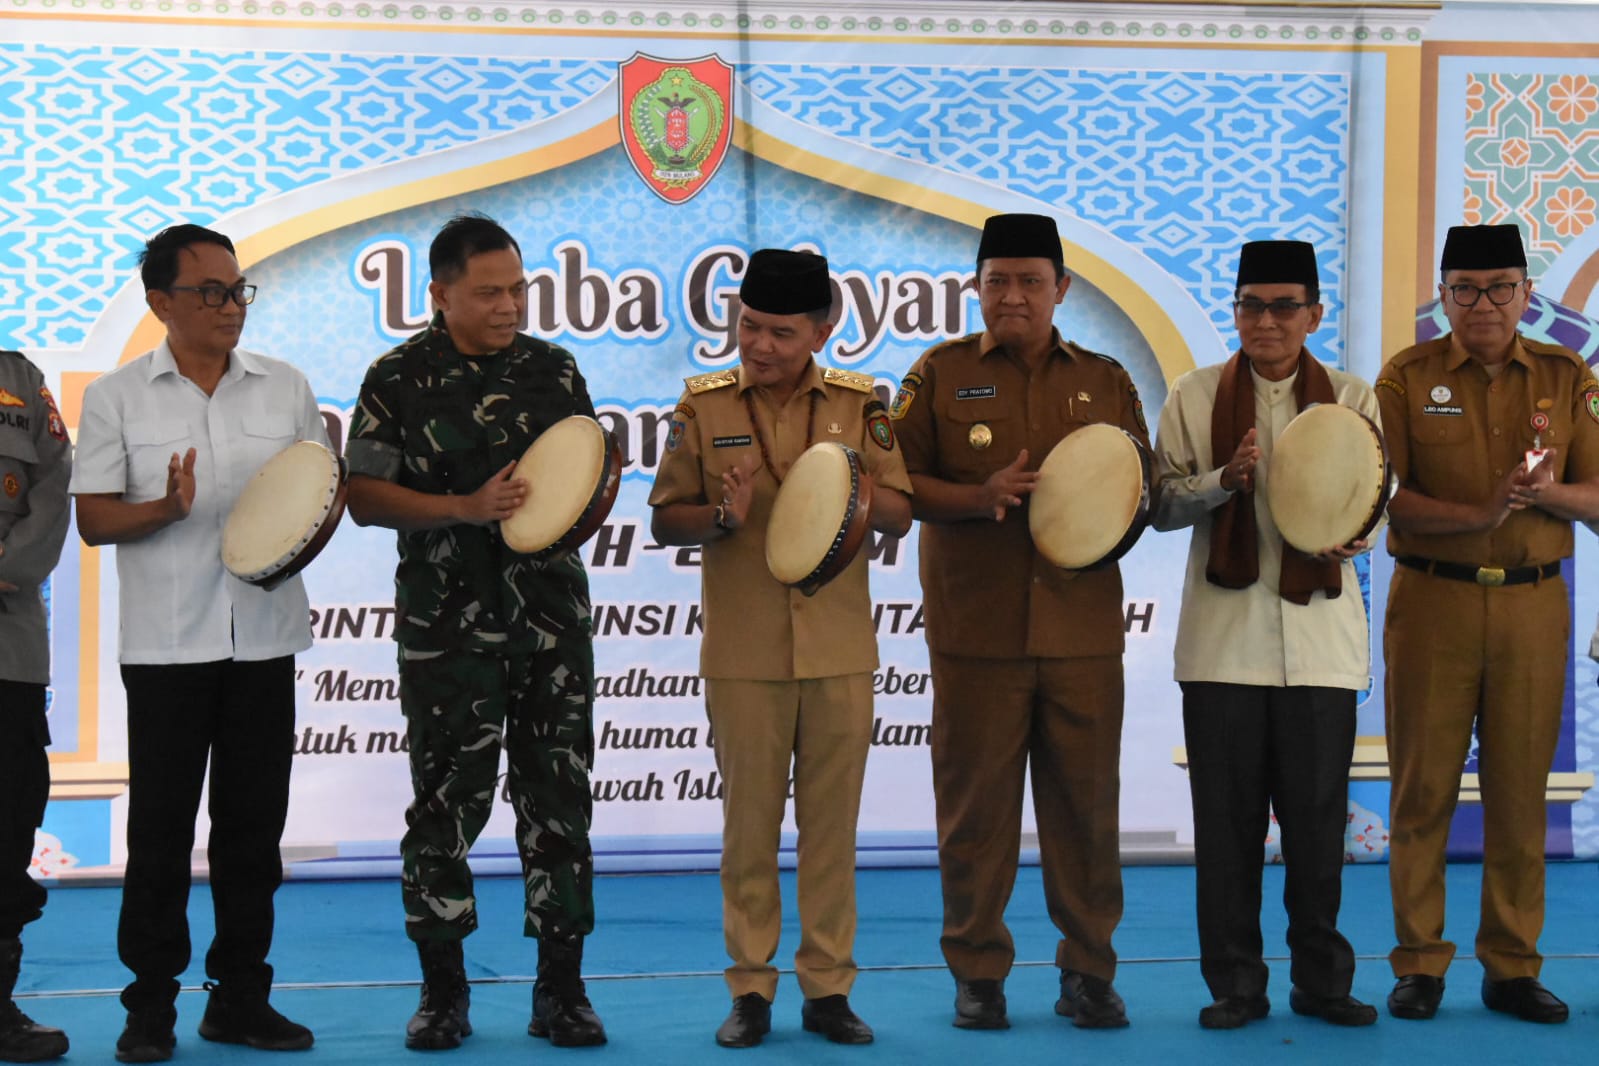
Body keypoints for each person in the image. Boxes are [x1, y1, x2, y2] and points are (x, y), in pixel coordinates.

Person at [345, 214, 606, 1051]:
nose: (508, 306)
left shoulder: (553, 371)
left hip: (550, 626)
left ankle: (561, 991)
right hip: (447, 631)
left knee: (558, 801)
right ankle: (442, 993)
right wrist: (462, 507)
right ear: (440, 294)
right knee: (444, 807)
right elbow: (362, 497)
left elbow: (585, 481)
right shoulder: (396, 377)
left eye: (517, 289)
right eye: (489, 292)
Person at [71, 224, 324, 1062]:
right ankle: (149, 1007)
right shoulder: (117, 397)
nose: (230, 306)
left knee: (252, 832)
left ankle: (241, 999)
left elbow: (317, 495)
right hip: (167, 649)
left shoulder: (285, 388)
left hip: (264, 639)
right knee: (160, 835)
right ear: (161, 302)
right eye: (210, 291)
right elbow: (94, 518)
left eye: (237, 289)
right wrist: (164, 510)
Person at [648, 248, 912, 1048]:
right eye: (749, 326)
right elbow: (665, 517)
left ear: (821, 332)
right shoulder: (702, 408)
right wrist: (720, 519)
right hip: (745, 654)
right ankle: (750, 989)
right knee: (748, 831)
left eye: (780, 332)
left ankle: (827, 989)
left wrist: (849, 491)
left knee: (832, 831)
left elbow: (900, 510)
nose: (759, 345)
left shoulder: (861, 406)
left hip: (838, 650)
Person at [893, 213, 1145, 1031]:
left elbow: (1138, 489)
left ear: (1060, 289)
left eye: (1030, 281)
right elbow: (894, 484)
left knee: (1085, 812)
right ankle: (977, 974)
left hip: (1081, 635)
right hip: (977, 635)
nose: (1012, 296)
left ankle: (1088, 972)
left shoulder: (1105, 380)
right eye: (996, 280)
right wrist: (978, 496)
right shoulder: (938, 374)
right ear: (976, 286)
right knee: (975, 816)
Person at [1151, 240, 1379, 1030]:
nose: (1266, 321)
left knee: (1316, 830)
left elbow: (1373, 501)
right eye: (1251, 305)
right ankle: (1234, 987)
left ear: (1313, 315)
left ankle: (1321, 983)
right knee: (1226, 832)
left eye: (1284, 307)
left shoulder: (1350, 398)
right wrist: (1224, 481)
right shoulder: (1192, 395)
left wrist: (1356, 532)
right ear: (1235, 311)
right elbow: (1159, 504)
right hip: (1221, 646)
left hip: (1321, 648)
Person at [1377, 223, 1599, 1024]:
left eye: (1500, 287)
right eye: (1465, 289)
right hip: (1431, 602)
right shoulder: (1404, 377)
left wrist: (1540, 496)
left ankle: (1510, 966)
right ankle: (1418, 963)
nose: (1483, 304)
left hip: (1532, 606)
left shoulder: (1566, 376)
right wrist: (1479, 512)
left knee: (1517, 792)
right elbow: (1386, 498)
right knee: (1422, 789)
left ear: (1526, 295)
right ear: (1441, 296)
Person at [0, 348, 72, 1063]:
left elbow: (53, 486)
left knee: (8, 821)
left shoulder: (19, 380)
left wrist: (9, 566)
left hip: (9, 648)